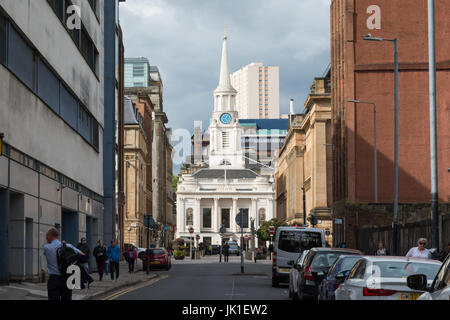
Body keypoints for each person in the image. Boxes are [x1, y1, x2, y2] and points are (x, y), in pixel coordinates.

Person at [43, 228, 83, 300]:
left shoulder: (46, 247)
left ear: (51, 236)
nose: (46, 238)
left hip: (54, 279)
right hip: (67, 278)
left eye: (47, 235)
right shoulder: (68, 246)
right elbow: (82, 255)